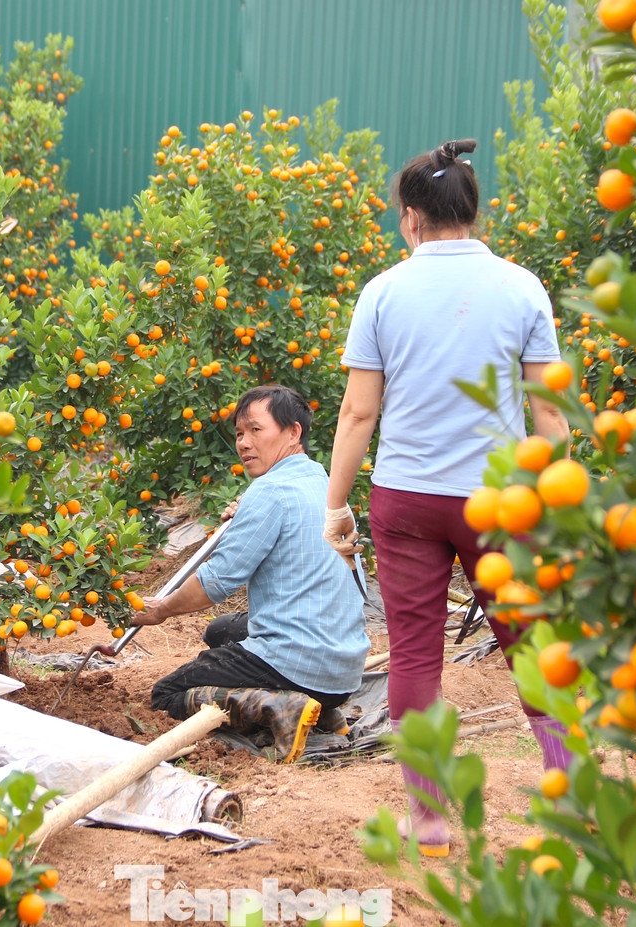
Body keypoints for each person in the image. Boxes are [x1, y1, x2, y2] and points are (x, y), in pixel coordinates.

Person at [322, 138, 571, 855]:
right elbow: (548, 414)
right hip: (499, 501)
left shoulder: (383, 291)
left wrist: (335, 503)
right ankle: (569, 792)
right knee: (533, 645)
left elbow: (358, 414)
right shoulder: (522, 286)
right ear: (473, 210)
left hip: (406, 500)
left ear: (411, 218)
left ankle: (429, 818)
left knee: (414, 654)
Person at [140, 384, 369, 763]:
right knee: (221, 632)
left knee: (166, 695)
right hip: (342, 669)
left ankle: (279, 707)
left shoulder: (270, 491)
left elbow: (216, 582)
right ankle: (324, 711)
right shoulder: (326, 484)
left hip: (298, 663)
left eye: (255, 430)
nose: (244, 443)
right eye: (239, 434)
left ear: (293, 432)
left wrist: (162, 609)